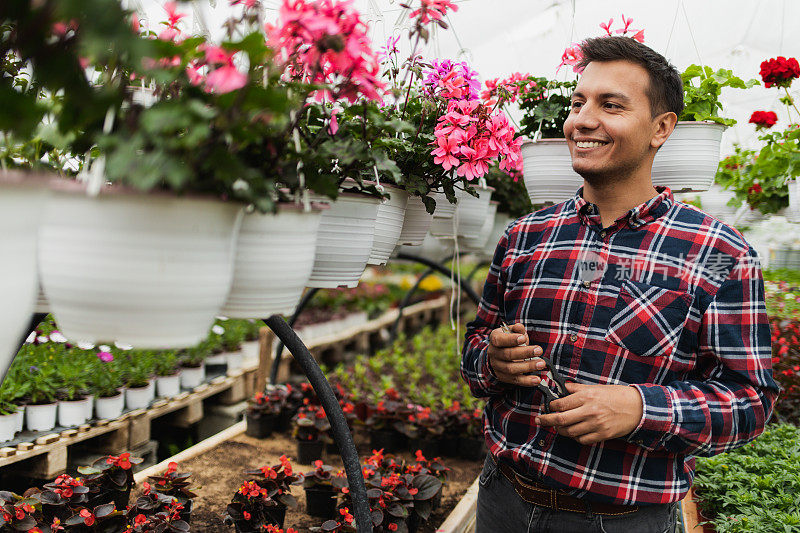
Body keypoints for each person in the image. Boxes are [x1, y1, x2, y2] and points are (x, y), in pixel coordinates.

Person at [462, 36, 780, 533]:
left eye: (611, 105)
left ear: (661, 129)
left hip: (621, 520)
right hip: (502, 499)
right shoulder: (526, 237)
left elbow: (750, 401)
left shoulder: (718, 253)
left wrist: (639, 408)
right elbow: (475, 350)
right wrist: (493, 362)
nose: (582, 120)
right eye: (578, 102)